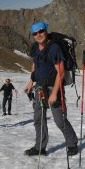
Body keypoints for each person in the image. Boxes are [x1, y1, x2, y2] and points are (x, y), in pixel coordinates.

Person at [24, 21, 78, 156]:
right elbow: (34, 65)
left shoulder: (54, 48)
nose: (38, 35)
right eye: (35, 33)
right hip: (39, 88)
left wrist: (54, 93)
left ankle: (72, 143)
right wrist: (30, 82)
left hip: (54, 88)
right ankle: (40, 147)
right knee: (38, 119)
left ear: (46, 31)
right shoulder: (35, 48)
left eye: (41, 31)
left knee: (59, 120)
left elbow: (60, 72)